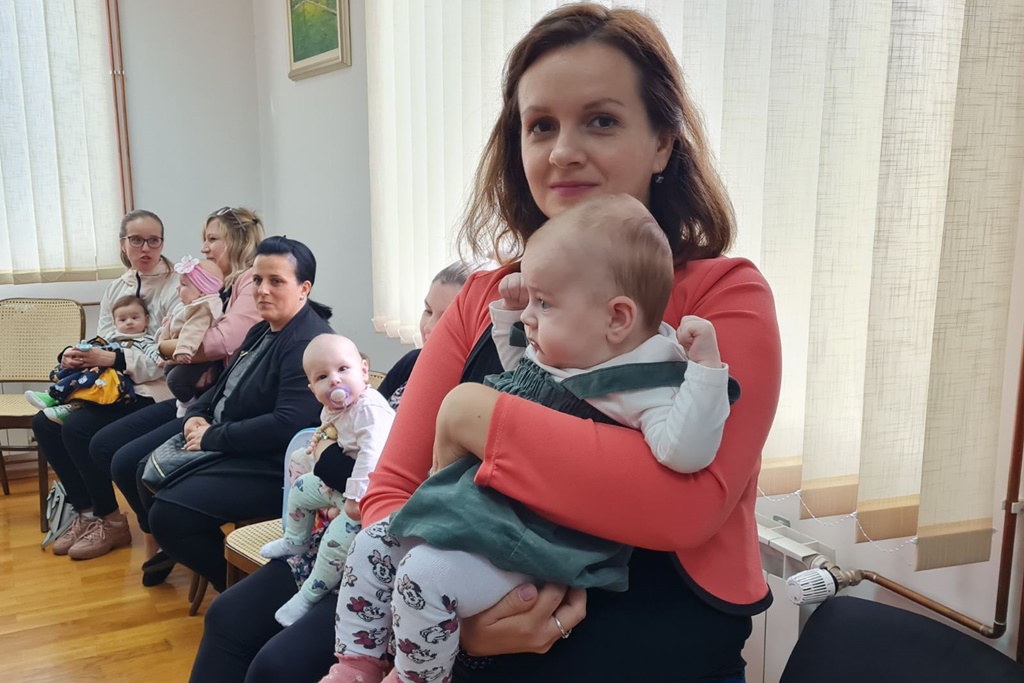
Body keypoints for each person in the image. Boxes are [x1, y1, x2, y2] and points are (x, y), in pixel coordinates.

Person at [190, 5, 780, 683]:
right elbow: (394, 487)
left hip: (644, 621)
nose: (563, 150)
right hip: (463, 570)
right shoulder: (485, 298)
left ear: (663, 143)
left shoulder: (723, 297)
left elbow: (685, 504)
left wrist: (476, 415)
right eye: (541, 126)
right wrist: (447, 610)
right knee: (250, 643)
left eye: (601, 120)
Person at [324, 195, 738, 683]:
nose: (530, 318)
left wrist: (706, 373)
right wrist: (510, 313)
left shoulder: (640, 382)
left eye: (545, 304)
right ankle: (356, 663)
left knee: (424, 575)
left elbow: (684, 451)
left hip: (533, 540)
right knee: (371, 544)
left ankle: (415, 678)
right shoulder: (569, 349)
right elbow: (517, 376)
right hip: (481, 512)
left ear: (617, 318)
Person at [143, 235, 333, 594]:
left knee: (168, 515)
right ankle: (219, 570)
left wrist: (212, 436)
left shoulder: (308, 344)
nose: (262, 290)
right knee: (145, 473)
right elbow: (223, 385)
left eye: (276, 281)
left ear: (304, 288)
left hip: (272, 464)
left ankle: (240, 588)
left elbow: (286, 425)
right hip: (233, 440)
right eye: (258, 280)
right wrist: (196, 414)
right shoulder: (263, 329)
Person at [92, 206, 264, 584]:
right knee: (108, 451)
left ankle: (181, 543)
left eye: (212, 239)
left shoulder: (245, 284)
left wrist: (163, 347)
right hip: (196, 395)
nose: (204, 248)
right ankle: (161, 538)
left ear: (235, 241)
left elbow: (216, 342)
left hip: (197, 396)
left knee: (130, 462)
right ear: (122, 244)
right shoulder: (224, 284)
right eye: (136, 240)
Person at [34, 209, 179, 561]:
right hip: (111, 387)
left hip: (156, 390)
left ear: (162, 243)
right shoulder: (117, 286)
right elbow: (103, 340)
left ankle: (112, 521)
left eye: (154, 240)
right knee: (44, 424)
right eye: (136, 240)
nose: (146, 248)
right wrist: (77, 355)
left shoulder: (177, 287)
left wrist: (113, 360)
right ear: (122, 244)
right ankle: (88, 515)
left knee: (78, 429)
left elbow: (170, 359)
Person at [259, 334, 395, 628]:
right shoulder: (335, 408)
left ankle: (308, 596)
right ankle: (296, 541)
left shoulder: (369, 410)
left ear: (363, 370)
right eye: (322, 377)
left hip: (369, 500)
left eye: (343, 369)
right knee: (300, 489)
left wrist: (356, 500)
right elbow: (330, 436)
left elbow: (372, 458)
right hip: (341, 488)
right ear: (313, 389)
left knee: (335, 542)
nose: (334, 380)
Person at [26, 295, 161, 423]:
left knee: (91, 379)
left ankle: (64, 403)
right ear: (114, 322)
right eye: (123, 320)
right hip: (99, 371)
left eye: (135, 318)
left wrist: (159, 359)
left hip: (120, 378)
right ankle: (54, 397)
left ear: (146, 319)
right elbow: (92, 347)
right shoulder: (109, 338)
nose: (129, 322)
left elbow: (155, 357)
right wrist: (73, 353)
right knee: (80, 370)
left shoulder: (146, 341)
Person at [377, 262, 474, 410]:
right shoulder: (412, 361)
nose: (428, 327)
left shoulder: (476, 392)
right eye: (428, 311)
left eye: (447, 318)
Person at [158, 255, 226, 414]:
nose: (178, 288)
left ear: (202, 291)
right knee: (168, 370)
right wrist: (170, 322)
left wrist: (184, 349)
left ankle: (188, 404)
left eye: (183, 285)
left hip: (197, 357)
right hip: (187, 352)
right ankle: (186, 399)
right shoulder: (193, 303)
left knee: (175, 380)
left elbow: (193, 330)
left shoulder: (202, 308)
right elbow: (181, 319)